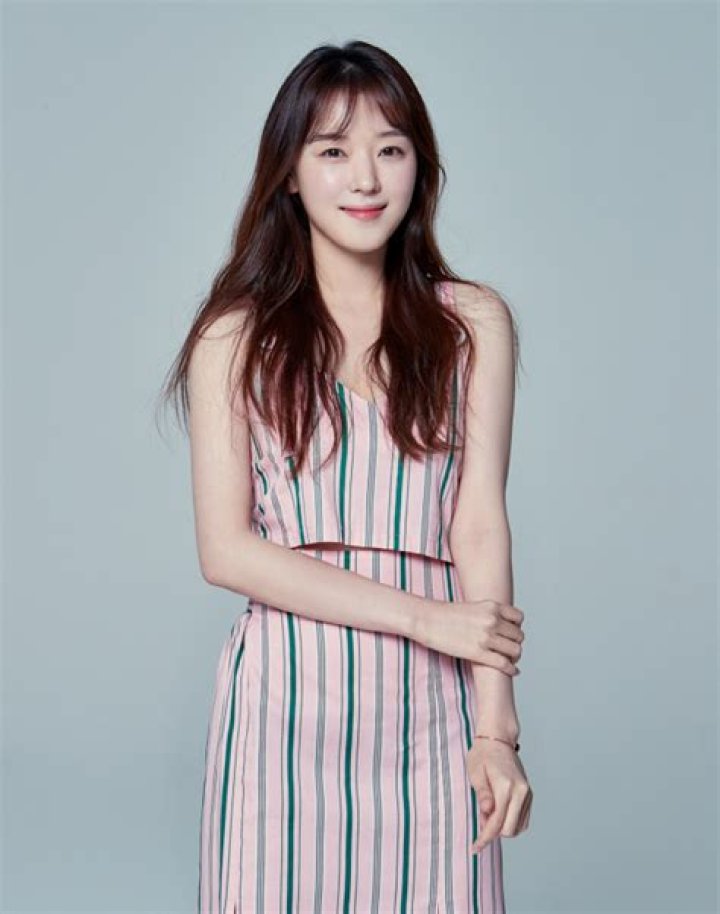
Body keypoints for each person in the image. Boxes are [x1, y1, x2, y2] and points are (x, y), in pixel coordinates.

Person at [160, 39, 532, 914]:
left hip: (434, 715)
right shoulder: (235, 337)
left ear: (420, 165)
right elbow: (226, 551)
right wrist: (426, 617)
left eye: (390, 149)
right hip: (284, 713)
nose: (365, 177)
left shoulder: (472, 325)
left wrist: (497, 728)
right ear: (289, 173)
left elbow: (478, 524)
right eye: (332, 150)